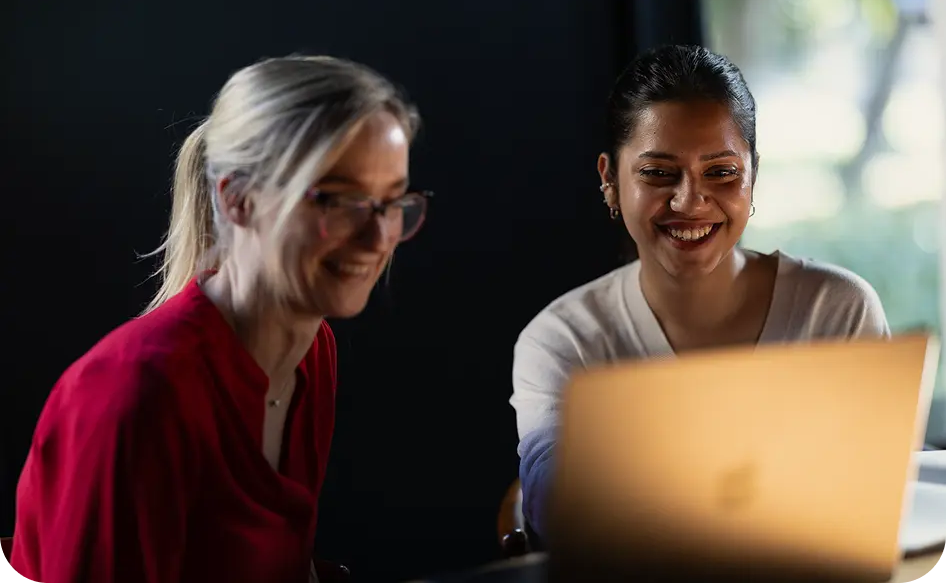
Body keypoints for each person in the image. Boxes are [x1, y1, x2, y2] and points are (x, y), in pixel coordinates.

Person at [10, 55, 430, 583]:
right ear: (238, 200)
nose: (377, 239)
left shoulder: (312, 349)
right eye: (339, 201)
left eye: (391, 203)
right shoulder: (136, 394)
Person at [509, 44, 889, 542]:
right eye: (658, 173)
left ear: (754, 175)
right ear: (610, 179)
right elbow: (559, 506)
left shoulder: (838, 310)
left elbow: (885, 494)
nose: (690, 201)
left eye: (722, 172)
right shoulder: (563, 340)